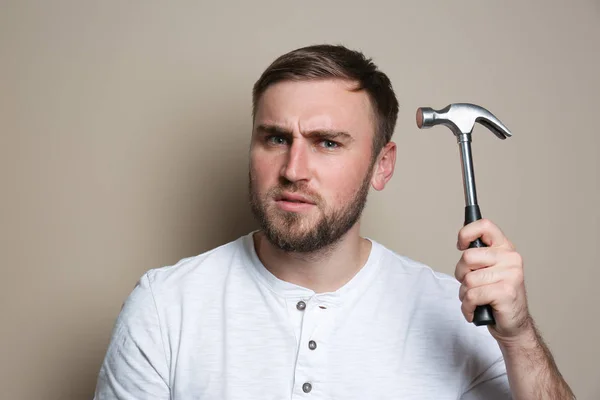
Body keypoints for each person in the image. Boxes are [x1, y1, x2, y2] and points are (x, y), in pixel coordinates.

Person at [93, 44, 575, 399]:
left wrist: (519, 337)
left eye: (328, 142)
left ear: (382, 165)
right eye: (276, 139)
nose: (293, 170)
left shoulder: (457, 314)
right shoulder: (164, 308)